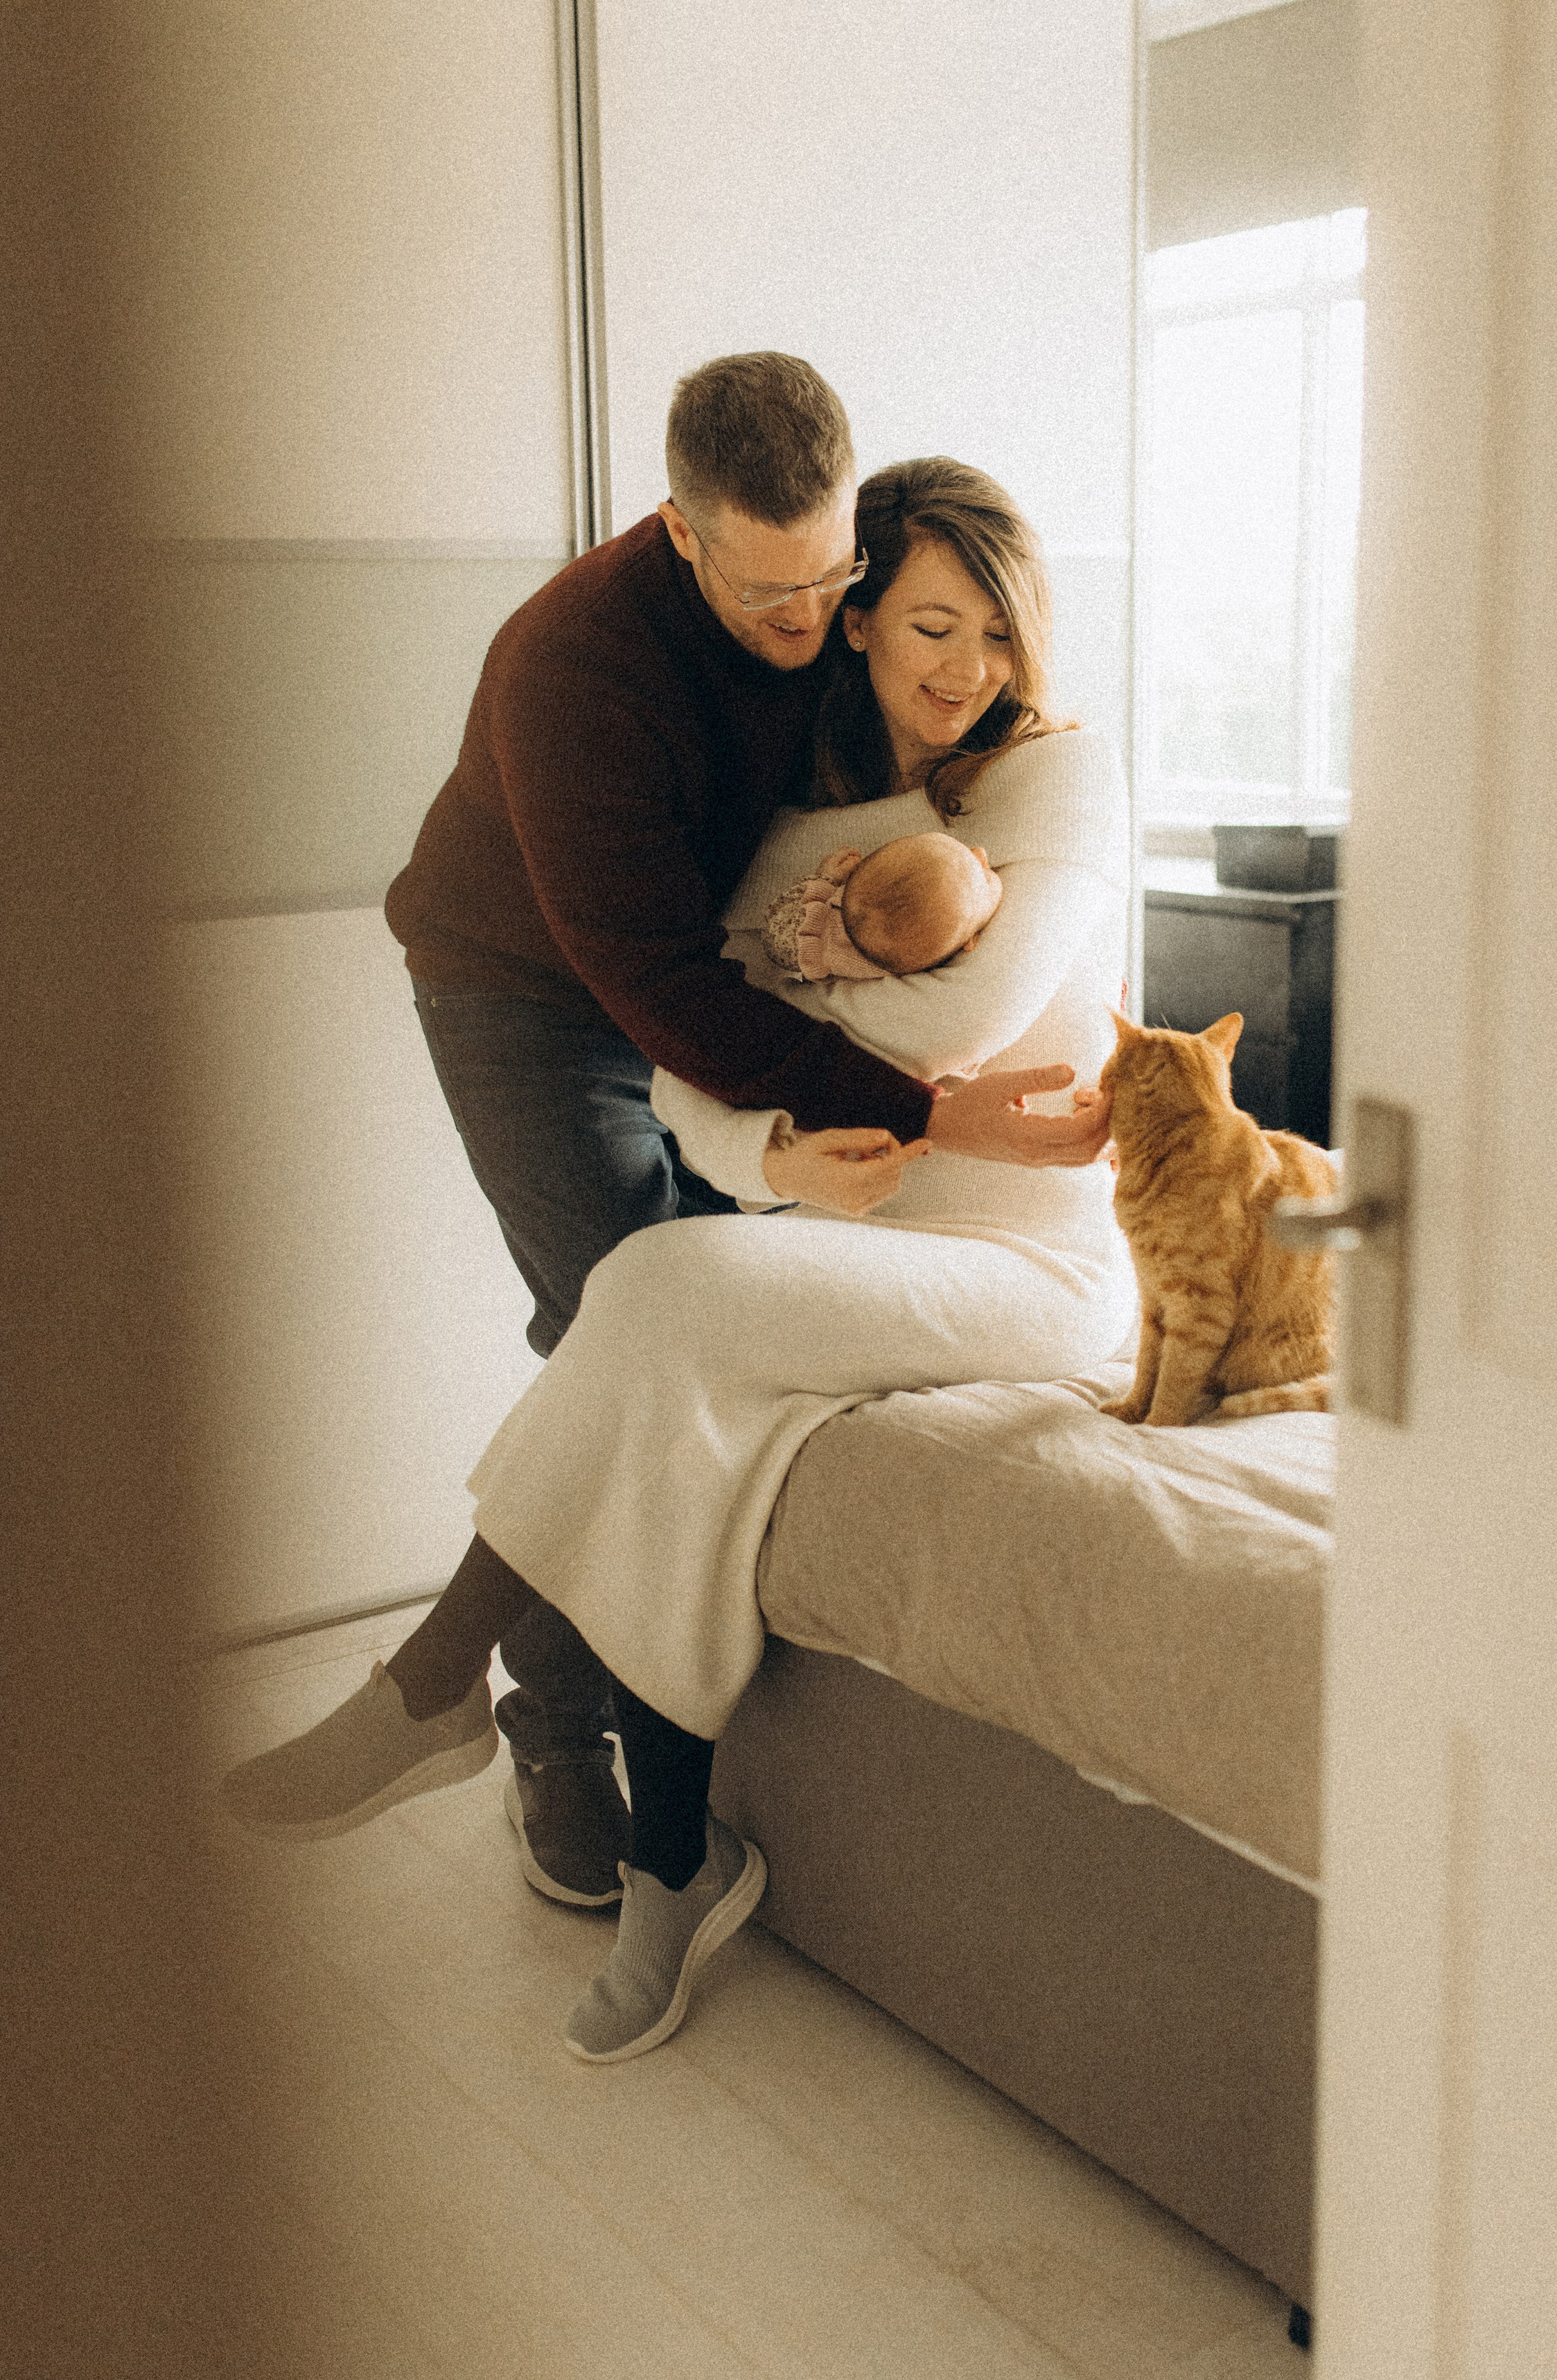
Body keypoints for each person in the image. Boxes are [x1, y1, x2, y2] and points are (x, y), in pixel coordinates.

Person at [225, 458, 1135, 2063]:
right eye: (928, 622)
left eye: (996, 632)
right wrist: (770, 1150)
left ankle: (440, 1682)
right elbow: (681, 1066)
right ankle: (673, 1859)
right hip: (847, 1249)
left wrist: (808, 998)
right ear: (852, 623)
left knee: (647, 1292)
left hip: (1037, 1277)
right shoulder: (794, 812)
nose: (963, 668)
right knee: (679, 1396)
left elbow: (962, 1023)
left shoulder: (1061, 778)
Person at [378, 355, 1116, 1906]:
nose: (805, 635)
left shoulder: (885, 677)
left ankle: (546, 1733)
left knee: (656, 1312)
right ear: (679, 531)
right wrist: (847, 1107)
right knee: (615, 1303)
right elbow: (661, 988)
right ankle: (560, 1734)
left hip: (718, 1002)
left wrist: (858, 948)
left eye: (829, 584)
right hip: (523, 986)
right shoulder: (571, 666)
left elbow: (826, 969)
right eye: (773, 596)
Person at [759, 831, 1002, 981]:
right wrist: (827, 883)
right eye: (966, 853)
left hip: (805, 934)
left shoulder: (934, 939)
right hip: (805, 927)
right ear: (970, 941)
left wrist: (828, 881)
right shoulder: (939, 944)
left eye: (981, 874)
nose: (981, 852)